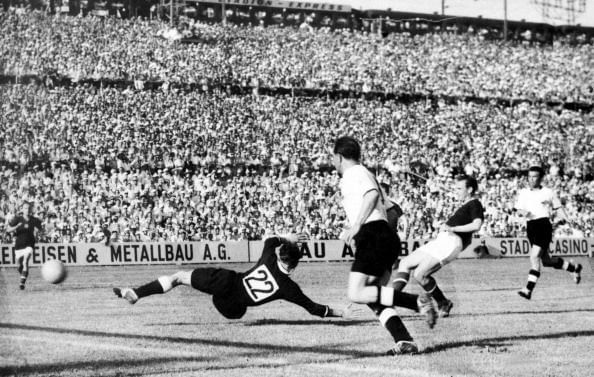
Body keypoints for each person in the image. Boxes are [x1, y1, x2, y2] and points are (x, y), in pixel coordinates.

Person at [332, 136, 436, 356]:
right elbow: (392, 210)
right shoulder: (366, 174)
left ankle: (418, 302)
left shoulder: (354, 173)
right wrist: (384, 234)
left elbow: (371, 195)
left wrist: (358, 227)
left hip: (373, 234)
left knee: (357, 292)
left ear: (339, 157)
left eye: (333, 157)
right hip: (382, 235)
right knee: (374, 296)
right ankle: (404, 340)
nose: (332, 162)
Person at [114, 234, 353, 320]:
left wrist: (287, 237)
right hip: (233, 309)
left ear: (280, 255)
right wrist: (340, 311)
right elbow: (312, 308)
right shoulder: (288, 287)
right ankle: (135, 294)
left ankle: (136, 294)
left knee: (178, 277)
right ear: (293, 266)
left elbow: (271, 240)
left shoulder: (269, 256)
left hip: (227, 281)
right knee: (237, 309)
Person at [392, 175, 485, 318]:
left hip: (451, 242)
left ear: (470, 189)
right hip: (443, 240)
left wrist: (452, 228)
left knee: (419, 274)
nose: (456, 191)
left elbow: (476, 225)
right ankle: (440, 302)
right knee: (405, 263)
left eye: (460, 188)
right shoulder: (465, 205)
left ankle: (392, 302)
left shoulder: (475, 203)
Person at [514, 166, 582, 300]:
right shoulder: (523, 192)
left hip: (543, 225)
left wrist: (568, 219)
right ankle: (574, 269)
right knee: (546, 261)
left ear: (541, 178)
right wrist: (524, 212)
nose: (531, 179)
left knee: (534, 257)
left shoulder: (548, 192)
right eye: (530, 176)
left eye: (535, 176)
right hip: (531, 226)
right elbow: (518, 209)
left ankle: (528, 289)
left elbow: (558, 207)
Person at [6, 202, 43, 290]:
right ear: (22, 209)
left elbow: (41, 230)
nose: (27, 210)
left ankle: (21, 283)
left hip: (30, 244)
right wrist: (16, 227)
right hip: (19, 245)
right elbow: (8, 230)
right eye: (25, 208)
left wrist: (39, 231)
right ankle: (23, 275)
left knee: (25, 261)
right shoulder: (18, 219)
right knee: (19, 266)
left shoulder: (35, 220)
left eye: (29, 208)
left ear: (31, 209)